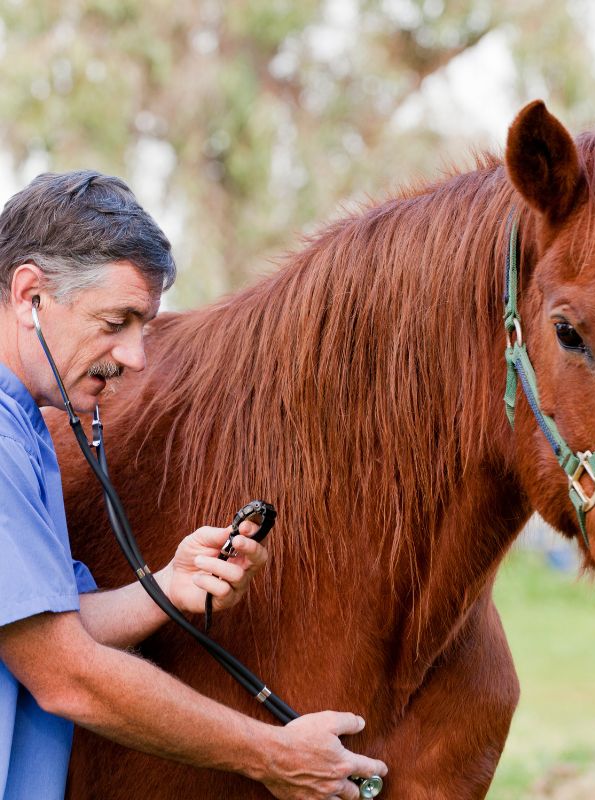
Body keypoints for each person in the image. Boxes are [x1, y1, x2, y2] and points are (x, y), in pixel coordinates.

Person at [0, 171, 387, 800]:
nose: (136, 357)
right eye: (116, 321)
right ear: (29, 295)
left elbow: (54, 626)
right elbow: (66, 673)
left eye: (143, 327)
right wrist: (273, 755)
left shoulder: (25, 426)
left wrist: (168, 587)